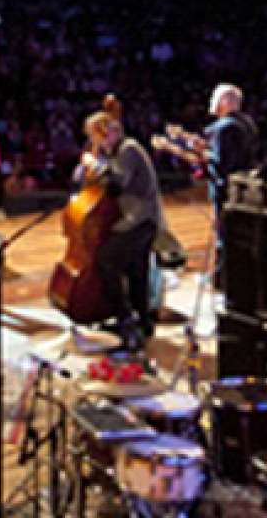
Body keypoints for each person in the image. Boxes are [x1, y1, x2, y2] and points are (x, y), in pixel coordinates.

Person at [78, 105, 162, 353]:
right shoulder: (117, 152)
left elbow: (116, 184)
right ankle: (142, 322)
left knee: (106, 260)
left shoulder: (128, 150)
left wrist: (96, 164)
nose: (96, 143)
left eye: (96, 137)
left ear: (108, 132)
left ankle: (126, 319)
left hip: (140, 220)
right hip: (137, 220)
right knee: (136, 271)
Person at [204, 82, 261, 284]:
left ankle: (221, 277)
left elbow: (219, 162)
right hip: (245, 187)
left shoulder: (223, 127)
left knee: (223, 233)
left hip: (224, 188)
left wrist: (201, 157)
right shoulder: (248, 123)